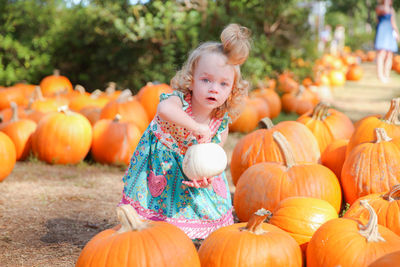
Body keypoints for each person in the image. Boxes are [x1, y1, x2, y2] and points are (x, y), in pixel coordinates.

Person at [119, 24, 251, 240]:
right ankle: (156, 227)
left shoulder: (220, 123)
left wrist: (206, 177)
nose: (214, 88)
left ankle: (193, 229)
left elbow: (211, 159)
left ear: (232, 90)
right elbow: (163, 110)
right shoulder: (178, 101)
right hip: (163, 168)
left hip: (190, 172)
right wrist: (197, 128)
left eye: (223, 83)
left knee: (205, 212)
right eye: (206, 80)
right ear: (191, 79)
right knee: (156, 223)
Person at [375, 0, 400, 83]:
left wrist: (397, 33)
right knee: (381, 54)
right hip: (382, 31)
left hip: (389, 31)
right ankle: (380, 75)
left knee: (389, 54)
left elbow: (393, 22)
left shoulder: (391, 9)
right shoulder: (379, 8)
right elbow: (384, 12)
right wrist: (385, 3)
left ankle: (386, 74)